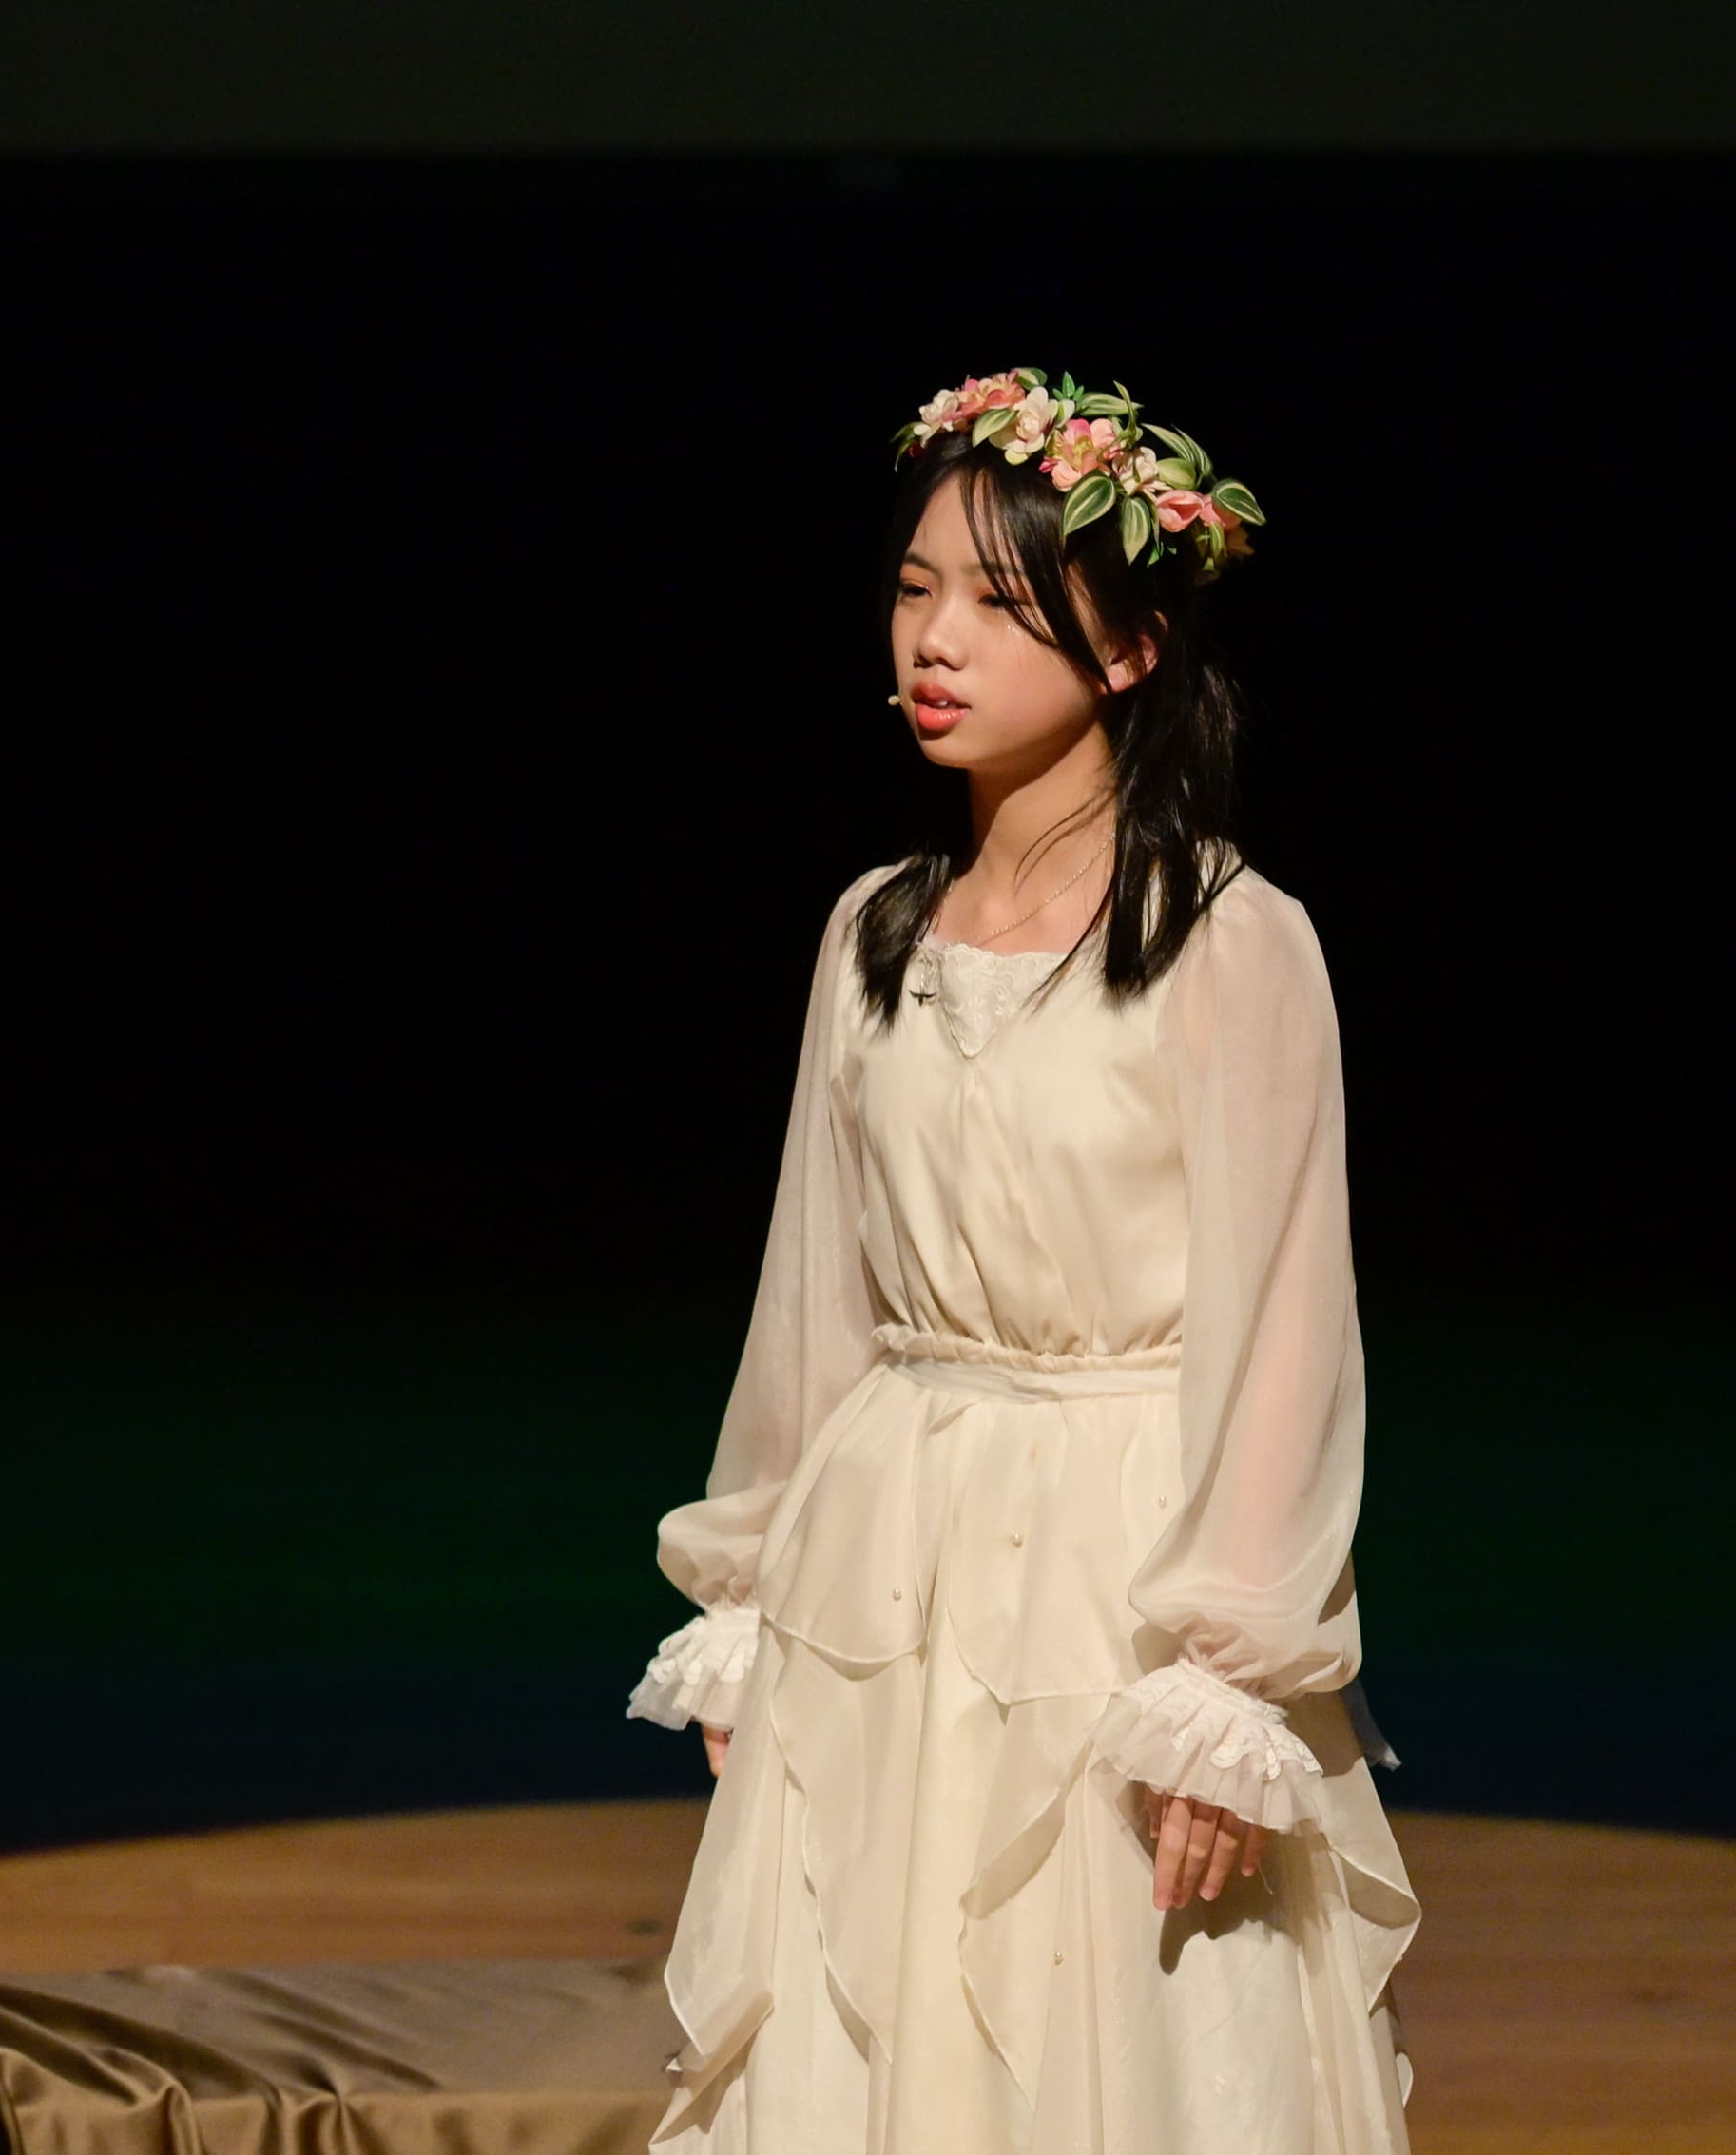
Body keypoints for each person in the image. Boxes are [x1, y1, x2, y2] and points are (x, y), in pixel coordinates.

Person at [627, 371, 1415, 2151]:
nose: (937, 639)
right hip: (886, 1561)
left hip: (1114, 1569)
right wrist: (752, 1587)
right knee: (865, 2025)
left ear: (1130, 646)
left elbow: (1285, 1328)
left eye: (997, 599)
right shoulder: (874, 930)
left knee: (1113, 2039)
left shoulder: (1230, 939)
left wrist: (1227, 1678)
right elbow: (816, 1294)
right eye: (916, 590)